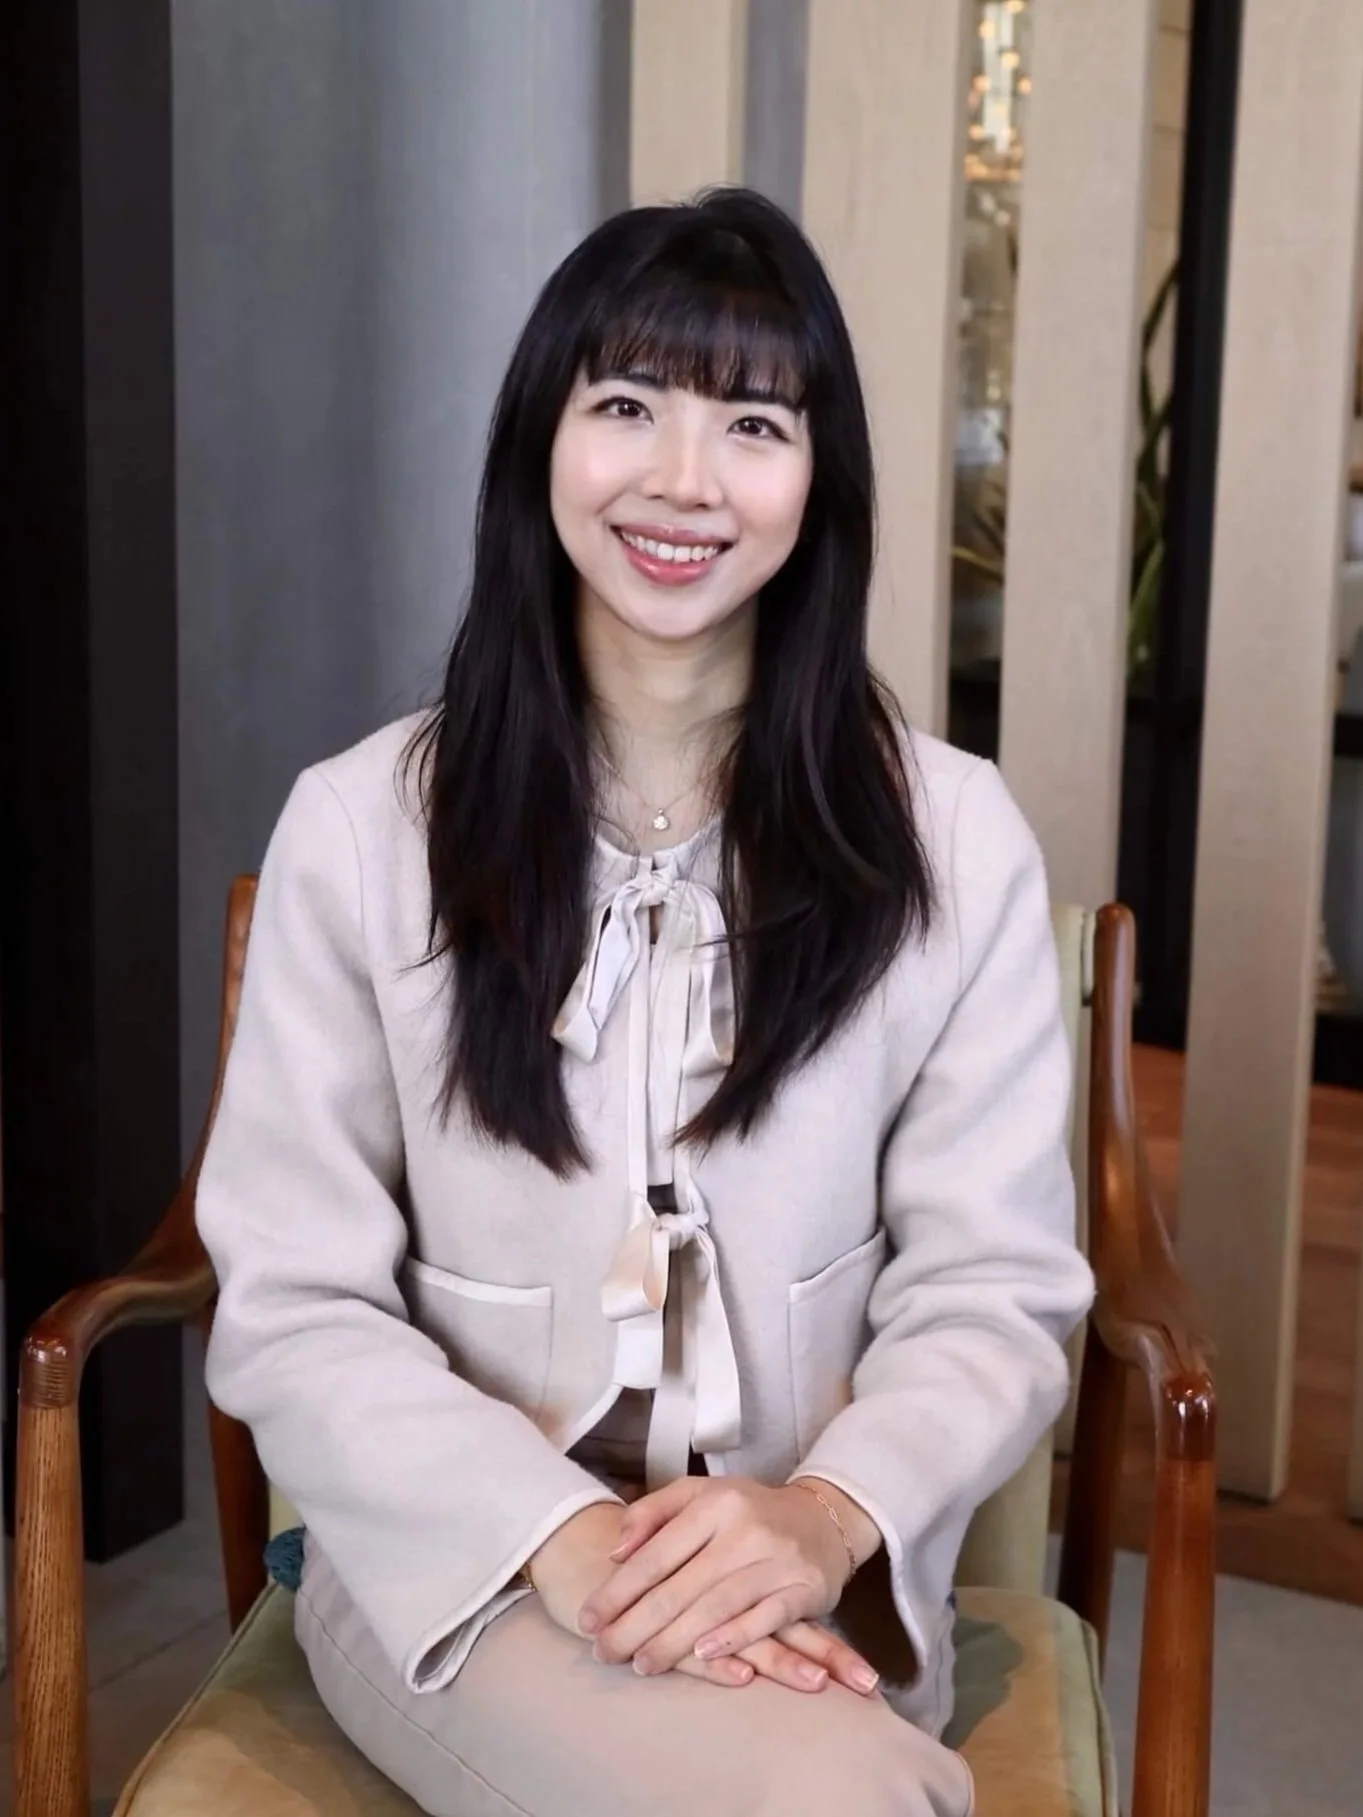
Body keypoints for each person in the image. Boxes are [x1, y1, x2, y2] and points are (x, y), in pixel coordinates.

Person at [197, 187, 1093, 1817]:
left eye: (752, 423)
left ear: (817, 482)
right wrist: (567, 1537)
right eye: (625, 407)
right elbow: (293, 1303)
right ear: (541, 441)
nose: (683, 481)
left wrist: (818, 1521)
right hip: (457, 1573)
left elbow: (995, 1288)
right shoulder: (363, 828)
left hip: (802, 1564)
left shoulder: (949, 836)